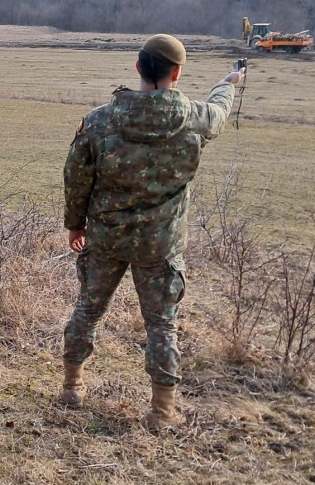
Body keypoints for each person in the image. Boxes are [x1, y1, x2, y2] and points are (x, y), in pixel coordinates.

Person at [60, 34, 245, 429]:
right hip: (160, 245)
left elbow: (76, 177)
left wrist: (75, 224)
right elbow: (219, 111)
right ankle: (161, 413)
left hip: (106, 237)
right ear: (177, 72)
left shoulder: (99, 119)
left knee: (87, 311)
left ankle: (71, 387)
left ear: (138, 68)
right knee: (161, 325)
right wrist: (228, 84)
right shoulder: (195, 119)